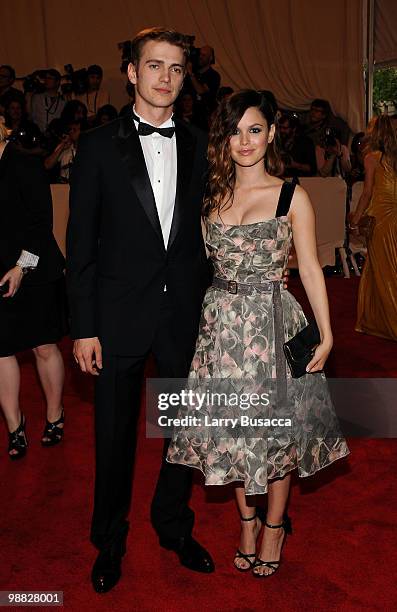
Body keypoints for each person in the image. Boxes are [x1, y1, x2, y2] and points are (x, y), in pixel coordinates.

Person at [167, 90, 349, 577]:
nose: (243, 141)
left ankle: (273, 526)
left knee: (275, 436)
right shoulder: (211, 194)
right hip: (221, 329)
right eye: (233, 131)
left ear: (270, 134)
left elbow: (310, 268)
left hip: (272, 323)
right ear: (222, 138)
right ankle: (245, 520)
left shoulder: (293, 196)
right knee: (230, 431)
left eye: (254, 130)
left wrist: (326, 334)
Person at [66, 27, 215, 594]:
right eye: (154, 66)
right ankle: (109, 540)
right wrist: (84, 328)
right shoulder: (100, 145)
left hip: (183, 317)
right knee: (114, 437)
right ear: (131, 71)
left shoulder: (201, 143)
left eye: (176, 69)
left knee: (184, 432)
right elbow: (80, 244)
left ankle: (173, 524)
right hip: (116, 319)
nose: (165, 78)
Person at [0, 122, 68, 459]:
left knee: (43, 346)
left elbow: (42, 224)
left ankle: (55, 415)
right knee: (2, 349)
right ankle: (15, 426)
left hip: (35, 268)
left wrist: (20, 267)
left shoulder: (24, 165)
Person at [350, 114, 397, 341]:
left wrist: (355, 219)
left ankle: (388, 321)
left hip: (381, 219)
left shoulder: (372, 158)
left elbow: (367, 193)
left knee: (382, 271)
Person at [30, 69, 66, 134]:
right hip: (39, 135)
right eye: (45, 78)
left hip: (57, 135)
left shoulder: (63, 100)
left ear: (57, 82)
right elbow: (32, 116)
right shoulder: (37, 97)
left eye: (50, 78)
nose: (46, 80)